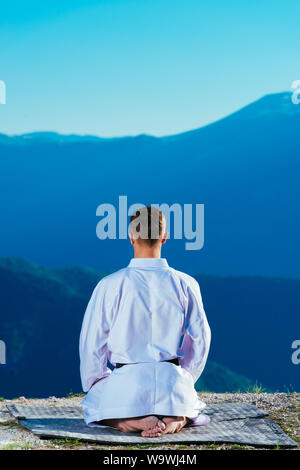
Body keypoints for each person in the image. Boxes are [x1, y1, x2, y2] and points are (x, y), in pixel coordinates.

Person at [79, 206, 211, 437]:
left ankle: (126, 422)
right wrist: (186, 376)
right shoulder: (186, 283)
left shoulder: (110, 284)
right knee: (189, 404)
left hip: (126, 384)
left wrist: (97, 382)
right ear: (164, 236)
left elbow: (92, 342)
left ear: (131, 237)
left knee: (94, 403)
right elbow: (201, 337)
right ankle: (176, 418)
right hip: (173, 384)